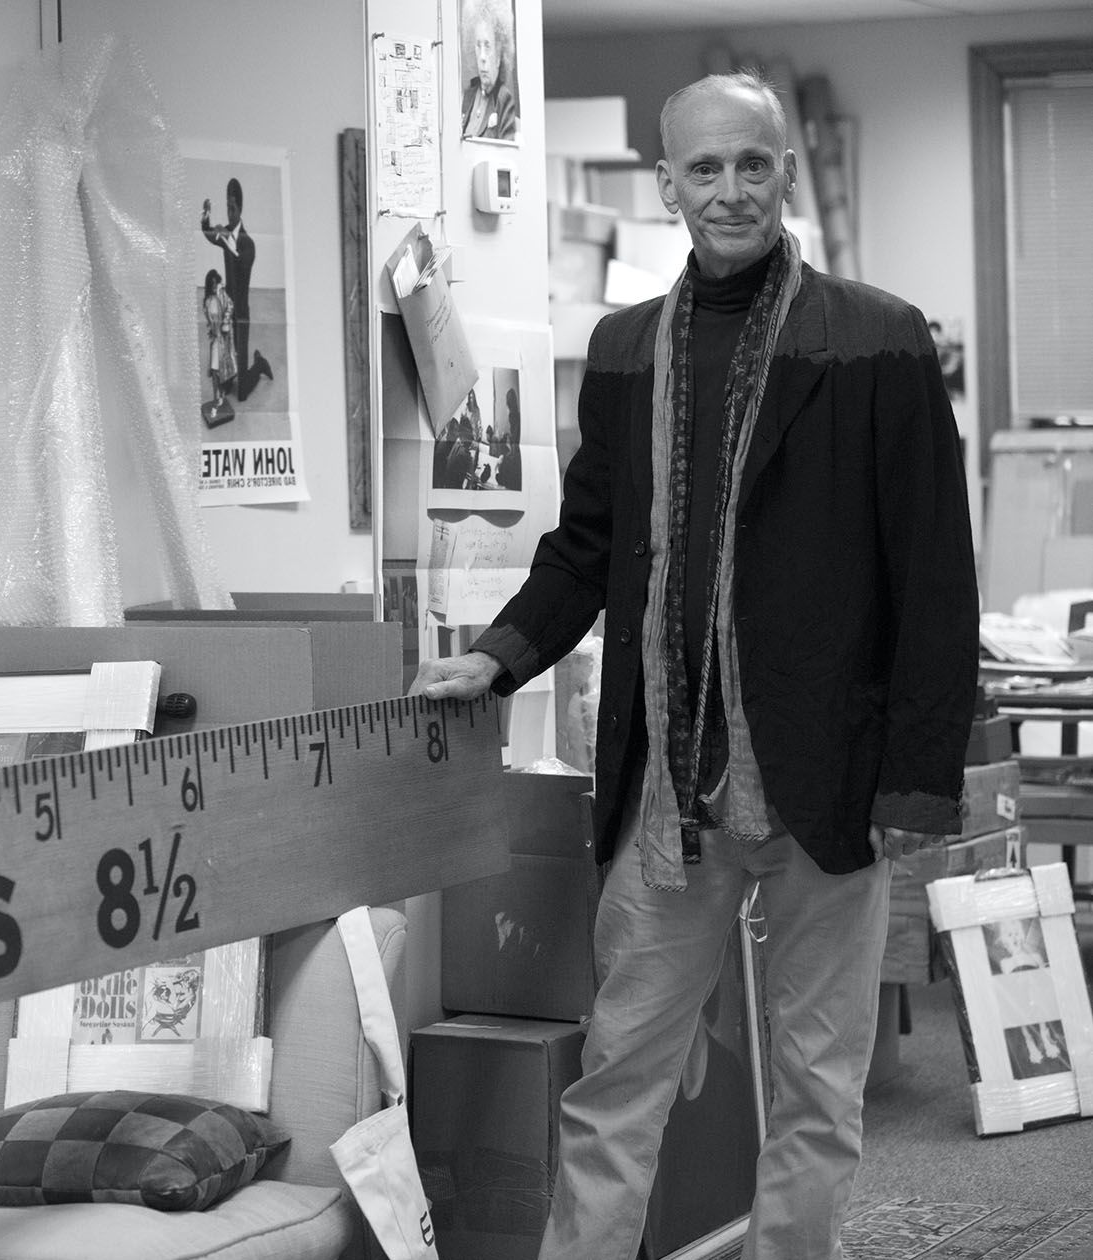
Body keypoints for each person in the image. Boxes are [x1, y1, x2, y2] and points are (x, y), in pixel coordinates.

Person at [409, 71, 976, 1260]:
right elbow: (589, 546)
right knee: (617, 1078)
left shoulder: (877, 337)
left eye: (752, 164)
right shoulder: (626, 350)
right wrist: (499, 659)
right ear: (668, 184)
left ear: (784, 173)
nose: (731, 191)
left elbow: (934, 575)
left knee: (818, 1092)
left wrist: (919, 782)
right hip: (670, 793)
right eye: (705, 168)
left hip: (828, 780)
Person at [199, 180, 272, 403]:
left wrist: (227, 239)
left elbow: (241, 262)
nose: (229, 214)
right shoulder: (227, 234)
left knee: (241, 395)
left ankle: (259, 364)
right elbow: (208, 233)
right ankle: (232, 373)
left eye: (232, 208)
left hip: (240, 315)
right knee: (226, 384)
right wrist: (206, 217)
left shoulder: (248, 243)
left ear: (240, 209)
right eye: (227, 208)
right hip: (226, 315)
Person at [459, 0, 519, 142]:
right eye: (478, 46)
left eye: (487, 46)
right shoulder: (468, 96)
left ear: (499, 53)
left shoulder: (503, 99)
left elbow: (507, 150)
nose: (482, 57)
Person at [201, 269, 236, 423]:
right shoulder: (207, 301)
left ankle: (219, 398)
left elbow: (230, 306)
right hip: (215, 339)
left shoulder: (222, 295)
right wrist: (211, 331)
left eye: (216, 284)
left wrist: (226, 323)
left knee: (218, 370)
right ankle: (218, 398)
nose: (215, 287)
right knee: (215, 370)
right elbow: (208, 319)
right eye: (212, 284)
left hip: (224, 339)